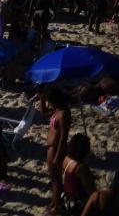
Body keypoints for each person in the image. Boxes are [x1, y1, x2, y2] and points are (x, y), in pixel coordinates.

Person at [44, 87, 72, 215]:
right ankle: (54, 203)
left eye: (50, 101)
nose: (49, 103)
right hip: (51, 148)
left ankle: (57, 207)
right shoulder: (57, 110)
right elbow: (44, 113)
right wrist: (41, 98)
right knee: (53, 178)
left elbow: (63, 137)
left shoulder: (64, 113)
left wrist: (58, 156)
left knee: (56, 179)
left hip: (56, 149)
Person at [62, 133, 95, 216]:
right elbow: (91, 191)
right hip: (78, 204)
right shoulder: (81, 168)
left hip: (67, 199)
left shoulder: (66, 159)